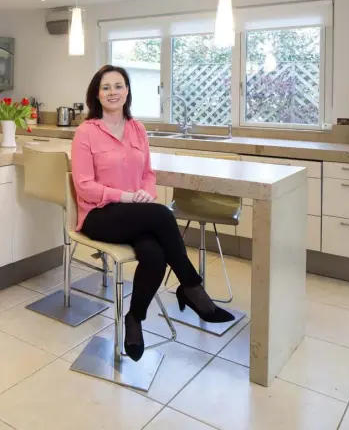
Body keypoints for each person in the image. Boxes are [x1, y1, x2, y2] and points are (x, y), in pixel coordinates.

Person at [71, 64, 234, 362]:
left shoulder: (137, 129)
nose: (112, 92)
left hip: (135, 213)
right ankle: (191, 286)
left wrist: (145, 192)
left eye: (118, 86)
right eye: (106, 87)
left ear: (127, 91)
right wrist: (128, 196)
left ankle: (135, 319)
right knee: (161, 215)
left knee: (155, 255)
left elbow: (148, 172)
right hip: (100, 215)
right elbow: (84, 187)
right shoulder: (86, 132)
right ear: (97, 93)